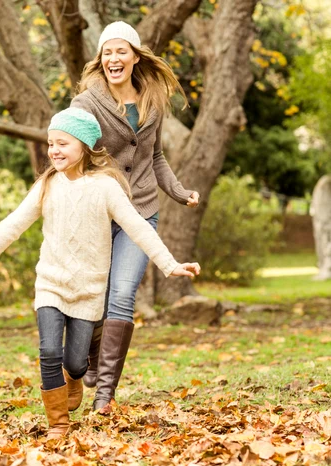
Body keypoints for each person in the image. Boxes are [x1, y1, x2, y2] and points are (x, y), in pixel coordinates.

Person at [0, 108, 200, 440]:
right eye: (51, 143)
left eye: (62, 143)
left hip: (89, 291)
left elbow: (138, 228)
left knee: (76, 363)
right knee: (50, 351)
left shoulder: (106, 188)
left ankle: (75, 377)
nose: (54, 151)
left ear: (84, 145)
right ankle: (58, 425)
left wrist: (170, 264)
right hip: (51, 284)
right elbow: (12, 226)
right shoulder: (47, 185)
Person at [70, 21, 201, 414]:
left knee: (123, 295)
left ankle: (104, 395)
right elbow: (75, 157)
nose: (114, 58)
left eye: (121, 51)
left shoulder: (152, 101)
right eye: (107, 52)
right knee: (94, 295)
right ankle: (90, 359)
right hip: (98, 212)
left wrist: (179, 192)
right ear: (100, 59)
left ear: (135, 56)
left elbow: (155, 157)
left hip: (141, 212)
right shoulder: (86, 105)